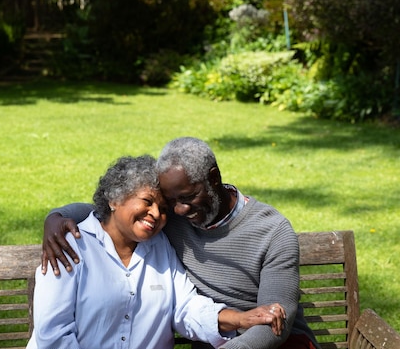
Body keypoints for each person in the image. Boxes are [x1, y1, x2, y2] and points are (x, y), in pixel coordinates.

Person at [42, 138, 321, 349]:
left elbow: (275, 324)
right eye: (168, 202)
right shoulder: (161, 224)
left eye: (185, 198)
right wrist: (56, 217)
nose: (176, 211)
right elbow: (112, 210)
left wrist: (239, 319)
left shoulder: (272, 231)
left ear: (213, 178)